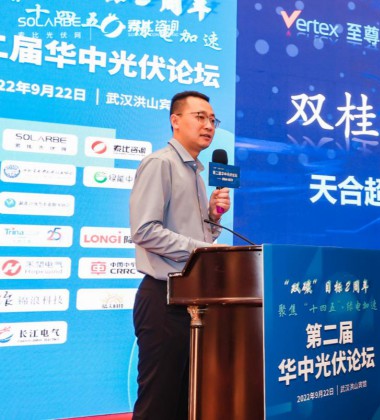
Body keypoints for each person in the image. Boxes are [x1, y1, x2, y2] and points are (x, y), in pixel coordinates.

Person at [129, 90, 230, 419]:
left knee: (186, 403)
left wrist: (213, 218)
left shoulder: (196, 175)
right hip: (164, 300)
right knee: (158, 405)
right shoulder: (161, 164)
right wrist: (204, 249)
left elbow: (198, 238)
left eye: (212, 120)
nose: (208, 126)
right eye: (200, 117)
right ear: (175, 120)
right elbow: (144, 230)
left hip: (192, 302)